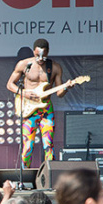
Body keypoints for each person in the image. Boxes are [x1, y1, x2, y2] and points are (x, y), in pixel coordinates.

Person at [6, 39, 76, 168]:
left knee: (48, 145)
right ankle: (25, 178)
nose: (40, 58)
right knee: (27, 147)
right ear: (34, 52)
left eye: (43, 55)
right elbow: (10, 84)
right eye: (37, 55)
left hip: (46, 110)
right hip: (29, 110)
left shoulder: (54, 67)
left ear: (48, 52)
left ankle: (49, 177)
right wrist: (24, 93)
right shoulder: (24, 64)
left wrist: (66, 87)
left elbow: (59, 93)